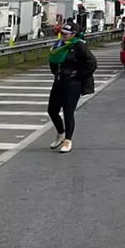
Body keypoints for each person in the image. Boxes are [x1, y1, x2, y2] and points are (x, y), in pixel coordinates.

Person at [46, 21, 97, 154]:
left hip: (73, 83)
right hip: (59, 81)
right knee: (52, 110)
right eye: (62, 33)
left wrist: (78, 75)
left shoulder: (79, 46)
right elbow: (53, 59)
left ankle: (68, 140)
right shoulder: (59, 44)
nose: (63, 35)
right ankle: (60, 133)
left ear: (73, 34)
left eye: (66, 34)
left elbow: (91, 63)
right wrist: (55, 72)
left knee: (68, 111)